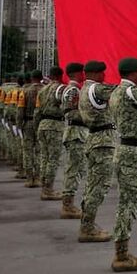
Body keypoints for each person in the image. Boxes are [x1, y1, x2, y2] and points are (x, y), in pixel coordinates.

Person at [109, 57, 137, 270]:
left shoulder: (116, 91)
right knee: (129, 203)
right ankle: (121, 255)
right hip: (133, 151)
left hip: (125, 149)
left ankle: (121, 250)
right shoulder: (130, 92)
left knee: (126, 202)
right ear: (135, 73)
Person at [77, 60, 118, 243]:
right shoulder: (96, 89)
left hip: (94, 138)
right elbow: (120, 94)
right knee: (99, 186)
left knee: (92, 184)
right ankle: (87, 227)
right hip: (102, 140)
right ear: (95, 73)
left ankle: (87, 223)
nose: (104, 76)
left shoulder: (84, 89)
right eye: (102, 73)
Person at [60, 62, 89, 219]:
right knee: (74, 169)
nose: (84, 74)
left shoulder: (75, 89)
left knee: (77, 169)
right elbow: (69, 112)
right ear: (76, 73)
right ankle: (67, 205)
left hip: (78, 133)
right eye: (82, 72)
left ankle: (68, 202)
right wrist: (88, 117)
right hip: (75, 133)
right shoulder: (72, 90)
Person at [35, 66, 66, 201]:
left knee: (44, 157)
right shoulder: (60, 89)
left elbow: (37, 111)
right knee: (53, 160)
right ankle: (48, 189)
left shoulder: (42, 90)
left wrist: (37, 126)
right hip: (55, 126)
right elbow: (65, 107)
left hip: (43, 124)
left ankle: (44, 187)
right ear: (60, 76)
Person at [18, 70, 44, 188]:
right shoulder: (46, 90)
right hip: (41, 123)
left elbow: (20, 110)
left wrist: (19, 124)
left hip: (28, 122)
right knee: (39, 150)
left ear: (32, 78)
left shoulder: (25, 91)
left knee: (27, 151)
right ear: (41, 78)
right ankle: (38, 177)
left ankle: (29, 178)